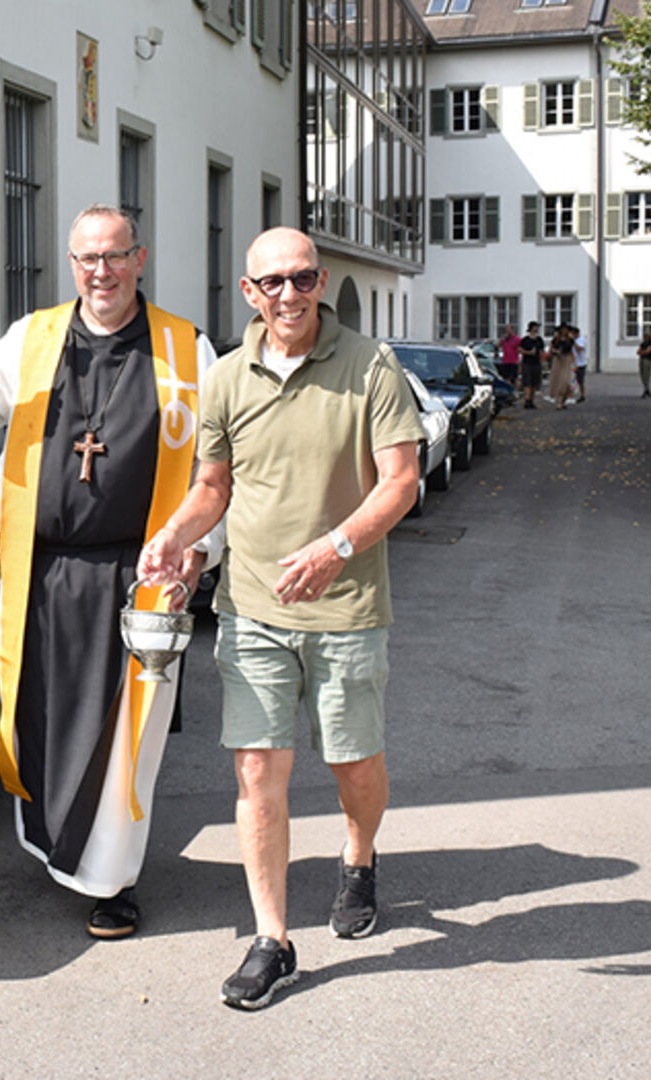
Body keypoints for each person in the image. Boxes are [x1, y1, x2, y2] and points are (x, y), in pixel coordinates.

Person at [137, 227, 423, 1010]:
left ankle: (358, 856)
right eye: (273, 283)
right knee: (258, 770)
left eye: (301, 279)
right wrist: (171, 536)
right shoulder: (226, 378)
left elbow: (400, 481)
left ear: (321, 280)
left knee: (352, 765)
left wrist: (335, 547)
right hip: (253, 607)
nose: (289, 295)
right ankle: (274, 939)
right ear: (248, 292)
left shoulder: (371, 367)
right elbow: (213, 487)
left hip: (347, 607)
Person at [0, 204, 220, 939]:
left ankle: (113, 882)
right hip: (41, 568)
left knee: (126, 734)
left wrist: (199, 550)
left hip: (138, 575)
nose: (102, 272)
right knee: (46, 718)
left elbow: (222, 471)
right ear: (72, 264)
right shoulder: (34, 337)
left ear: (140, 258)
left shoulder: (187, 352)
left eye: (115, 256)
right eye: (87, 259)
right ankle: (59, 847)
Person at [518, 320, 546, 409]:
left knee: (535, 382)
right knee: (527, 382)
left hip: (536, 362)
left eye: (537, 327)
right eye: (535, 327)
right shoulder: (525, 340)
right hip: (527, 363)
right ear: (531, 328)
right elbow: (520, 349)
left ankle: (531, 400)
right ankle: (527, 399)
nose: (536, 329)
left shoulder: (539, 339)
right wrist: (528, 352)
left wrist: (543, 357)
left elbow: (542, 351)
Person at [548, 324, 575, 409]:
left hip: (566, 360)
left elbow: (571, 351)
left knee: (566, 382)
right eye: (562, 329)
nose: (564, 331)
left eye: (565, 329)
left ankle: (563, 400)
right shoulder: (556, 340)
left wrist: (573, 360)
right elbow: (550, 350)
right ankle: (559, 401)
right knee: (558, 381)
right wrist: (555, 352)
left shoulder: (570, 340)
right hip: (557, 360)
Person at [571, 325, 587, 403]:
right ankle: (571, 394)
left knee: (580, 380)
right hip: (573, 363)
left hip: (581, 363)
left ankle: (582, 395)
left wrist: (573, 342)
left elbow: (579, 349)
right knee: (572, 380)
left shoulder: (582, 340)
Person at [637, 332, 651, 397]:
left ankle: (645, 390)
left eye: (646, 337)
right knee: (642, 375)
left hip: (648, 360)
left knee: (646, 376)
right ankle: (647, 390)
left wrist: (642, 352)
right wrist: (643, 352)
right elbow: (638, 352)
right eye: (645, 337)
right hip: (642, 360)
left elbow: (648, 351)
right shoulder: (643, 344)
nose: (645, 338)